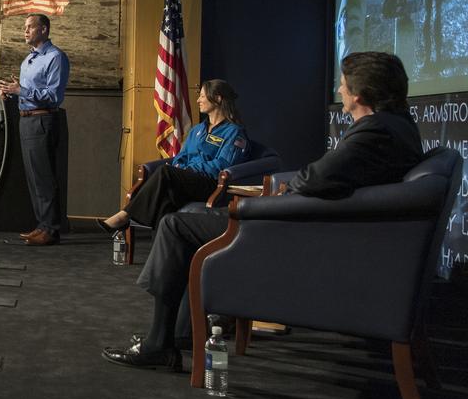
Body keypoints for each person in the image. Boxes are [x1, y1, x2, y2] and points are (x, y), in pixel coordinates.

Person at [102, 52, 425, 370]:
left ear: (361, 94)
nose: (339, 91)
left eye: (342, 85)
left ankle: (159, 344)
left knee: (176, 225)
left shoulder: (374, 131)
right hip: (327, 231)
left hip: (296, 235)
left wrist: (270, 200)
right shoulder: (399, 127)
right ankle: (180, 333)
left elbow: (314, 178)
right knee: (181, 220)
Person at [97, 80, 249, 233]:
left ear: (218, 99)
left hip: (211, 184)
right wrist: (180, 167)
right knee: (165, 204)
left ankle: (125, 215)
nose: (198, 100)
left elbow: (222, 165)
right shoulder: (198, 130)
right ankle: (162, 254)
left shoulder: (234, 132)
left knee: (165, 172)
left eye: (202, 96)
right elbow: (181, 157)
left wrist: (188, 169)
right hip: (187, 180)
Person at [0, 13, 70, 246]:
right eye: (24, 27)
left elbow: (53, 97)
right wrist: (9, 92)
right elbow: (25, 92)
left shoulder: (55, 57)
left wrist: (21, 91)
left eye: (30, 27)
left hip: (42, 121)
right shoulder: (28, 61)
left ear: (44, 30)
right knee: (34, 178)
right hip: (25, 121)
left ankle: (51, 230)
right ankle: (42, 225)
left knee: (44, 178)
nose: (25, 31)